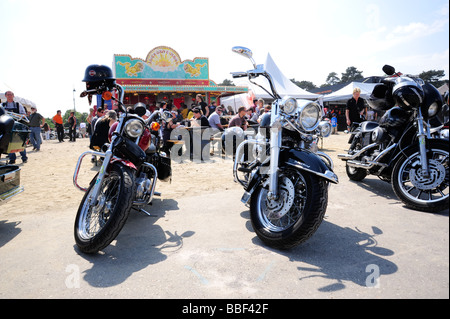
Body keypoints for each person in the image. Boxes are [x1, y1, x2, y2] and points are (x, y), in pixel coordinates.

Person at [2, 91, 28, 164]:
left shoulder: (18, 105)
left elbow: (24, 114)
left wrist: (15, 115)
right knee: (8, 142)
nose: (9, 96)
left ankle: (24, 157)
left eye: (11, 94)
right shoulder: (2, 105)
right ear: (5, 96)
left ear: (13, 96)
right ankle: (12, 159)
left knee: (19, 141)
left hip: (17, 125)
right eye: (8, 95)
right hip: (6, 126)